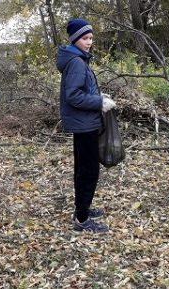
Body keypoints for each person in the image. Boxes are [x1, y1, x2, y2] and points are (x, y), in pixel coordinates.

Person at [56, 18, 116, 234]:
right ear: (75, 39)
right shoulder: (76, 62)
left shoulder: (78, 60)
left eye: (91, 38)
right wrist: (99, 102)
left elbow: (81, 91)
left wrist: (99, 96)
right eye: (84, 38)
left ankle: (82, 209)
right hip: (84, 124)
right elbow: (73, 96)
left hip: (84, 122)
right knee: (88, 171)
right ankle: (81, 219)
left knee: (83, 169)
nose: (89, 42)